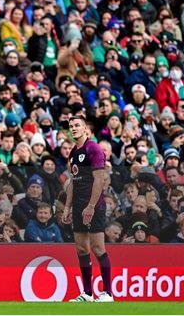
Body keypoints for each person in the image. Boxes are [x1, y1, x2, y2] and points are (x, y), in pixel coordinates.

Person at [62, 115, 113, 302]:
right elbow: (73, 183)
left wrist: (91, 206)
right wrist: (67, 208)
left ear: (85, 129)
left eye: (77, 125)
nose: (74, 128)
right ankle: (87, 293)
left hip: (94, 206)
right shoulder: (73, 152)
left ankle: (108, 293)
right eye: (71, 126)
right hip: (77, 207)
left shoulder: (93, 148)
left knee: (98, 248)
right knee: (82, 249)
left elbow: (99, 180)